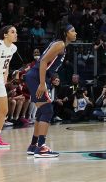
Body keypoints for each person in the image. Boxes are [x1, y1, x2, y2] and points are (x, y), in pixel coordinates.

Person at [24, 24, 78, 158]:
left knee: (42, 111)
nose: (75, 33)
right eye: (72, 31)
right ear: (65, 33)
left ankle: (33, 146)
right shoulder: (60, 44)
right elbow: (43, 62)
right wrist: (42, 83)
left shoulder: (59, 44)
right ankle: (41, 148)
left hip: (35, 77)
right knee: (48, 111)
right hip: (37, 77)